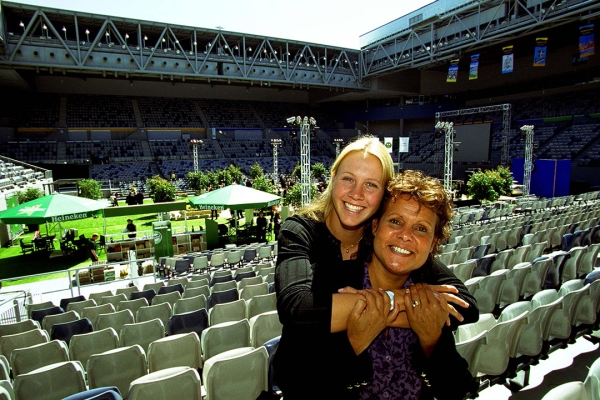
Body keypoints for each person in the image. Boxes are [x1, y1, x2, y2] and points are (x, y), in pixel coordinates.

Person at [274, 137, 477, 399]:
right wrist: (391, 303)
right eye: (348, 179)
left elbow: (465, 307)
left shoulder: (418, 285)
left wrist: (430, 339)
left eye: (370, 184)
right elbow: (296, 310)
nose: (405, 236)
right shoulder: (321, 266)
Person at [345, 170, 477, 399]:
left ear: (433, 243)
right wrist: (351, 346)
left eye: (421, 228)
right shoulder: (337, 284)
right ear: (375, 226)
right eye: (395, 221)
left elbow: (458, 389)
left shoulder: (427, 299)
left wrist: (431, 341)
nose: (405, 235)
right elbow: (300, 383)